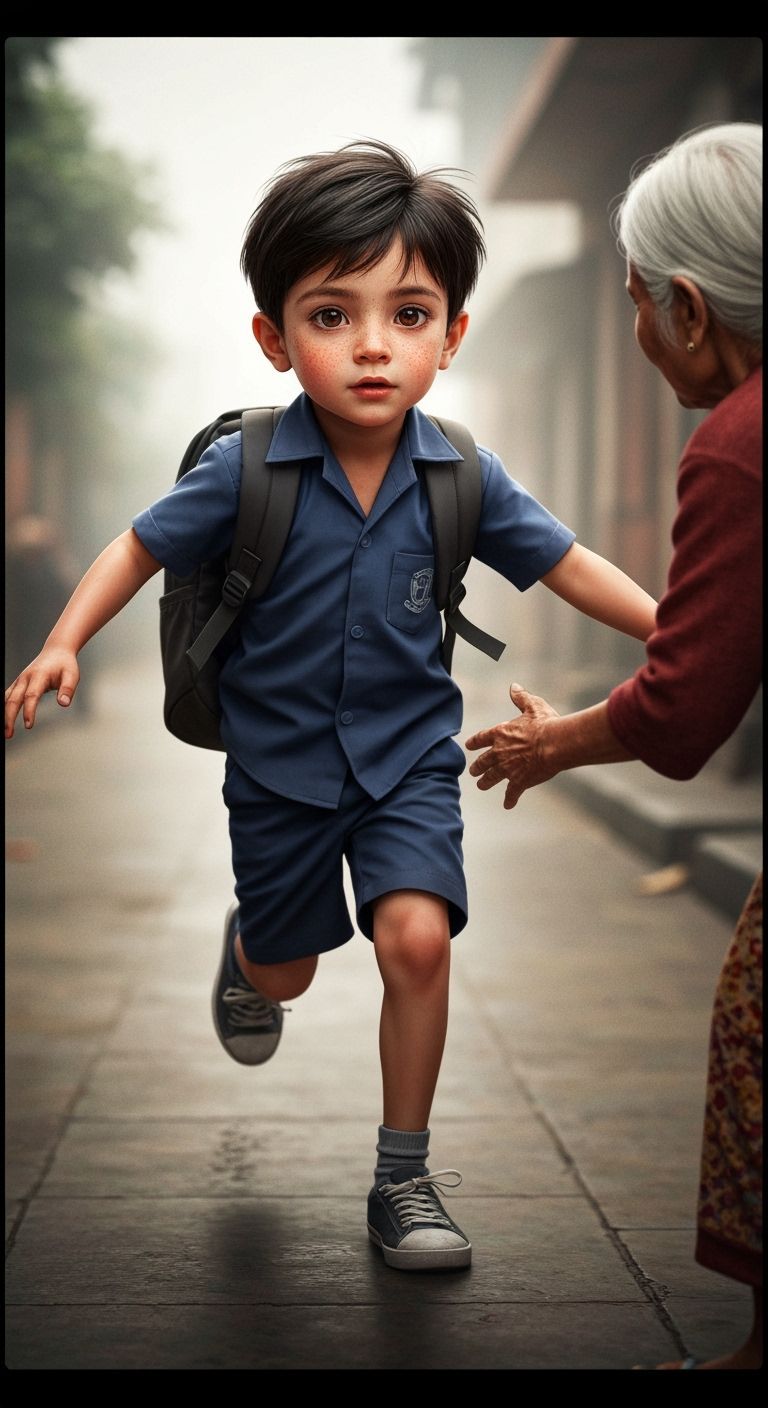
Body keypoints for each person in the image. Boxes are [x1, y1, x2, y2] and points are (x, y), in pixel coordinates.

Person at [5, 139, 658, 1273]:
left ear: (451, 335)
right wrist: (62, 641)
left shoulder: (463, 474)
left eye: (408, 313)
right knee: (288, 972)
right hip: (279, 767)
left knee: (417, 938)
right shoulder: (246, 467)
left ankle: (402, 1179)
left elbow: (567, 563)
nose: (372, 345)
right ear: (274, 336)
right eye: (331, 314)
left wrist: (674, 630)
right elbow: (137, 545)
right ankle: (251, 951)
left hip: (410, 760)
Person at [466, 123, 762, 1365]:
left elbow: (688, 710)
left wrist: (558, 744)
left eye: (636, 306)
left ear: (687, 309)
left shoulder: (738, 444)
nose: (636, 338)